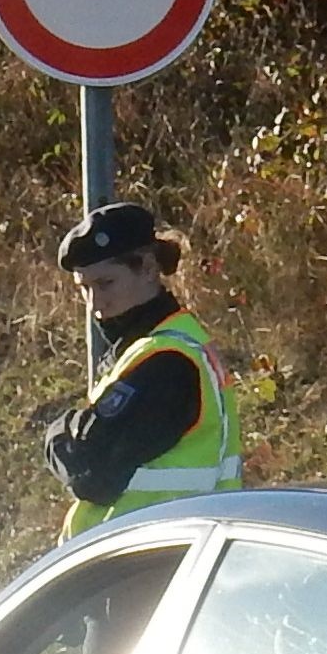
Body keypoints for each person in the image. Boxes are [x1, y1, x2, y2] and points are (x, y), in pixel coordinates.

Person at [47, 199, 240, 533]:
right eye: (85, 289)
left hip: (152, 556)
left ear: (149, 269)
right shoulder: (167, 342)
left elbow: (92, 471)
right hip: (172, 547)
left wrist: (56, 433)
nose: (95, 304)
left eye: (106, 283)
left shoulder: (167, 360)